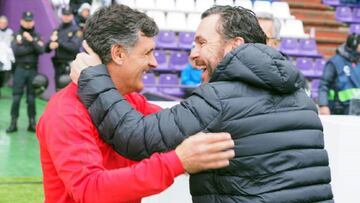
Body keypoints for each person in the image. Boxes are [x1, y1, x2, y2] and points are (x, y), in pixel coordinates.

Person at [72, 5, 333, 202]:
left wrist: (92, 77)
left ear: (234, 46)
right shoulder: (302, 99)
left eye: (202, 43)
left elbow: (135, 136)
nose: (192, 54)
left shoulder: (218, 99)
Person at [36, 5, 235, 203]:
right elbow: (90, 190)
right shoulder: (65, 112)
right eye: (147, 53)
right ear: (118, 54)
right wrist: (178, 161)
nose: (154, 63)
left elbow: (182, 129)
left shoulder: (130, 101)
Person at [6, 11, 44, 133]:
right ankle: (13, 122)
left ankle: (32, 123)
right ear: (21, 21)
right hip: (20, 69)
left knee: (32, 98)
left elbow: (41, 50)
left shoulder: (37, 35)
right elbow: (15, 51)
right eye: (26, 21)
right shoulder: (16, 34)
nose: (28, 23)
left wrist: (31, 41)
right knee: (16, 97)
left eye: (30, 21)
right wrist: (31, 48)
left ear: (33, 21)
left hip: (32, 70)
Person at [319, 33, 360, 115]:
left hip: (357, 109)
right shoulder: (335, 62)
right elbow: (324, 84)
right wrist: (323, 105)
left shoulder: (358, 61)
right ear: (355, 45)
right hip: (339, 110)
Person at [46, 7, 82, 91]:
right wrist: (50, 45)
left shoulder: (76, 30)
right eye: (64, 15)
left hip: (69, 65)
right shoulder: (58, 29)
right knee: (58, 90)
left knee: (67, 90)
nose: (66, 17)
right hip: (58, 64)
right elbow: (46, 49)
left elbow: (74, 47)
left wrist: (58, 42)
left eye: (68, 15)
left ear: (72, 16)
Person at [0, 15, 14, 97]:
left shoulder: (10, 32)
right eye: (1, 23)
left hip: (6, 58)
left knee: (3, 75)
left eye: (4, 23)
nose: (2, 24)